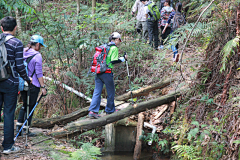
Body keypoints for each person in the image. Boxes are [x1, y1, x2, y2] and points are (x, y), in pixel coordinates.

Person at [0, 16, 31, 154]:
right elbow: (19, 65)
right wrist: (27, 79)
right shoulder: (17, 43)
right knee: (8, 113)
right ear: (15, 28)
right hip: (10, 82)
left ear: (1, 28)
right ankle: (7, 146)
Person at [88, 32, 127, 119]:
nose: (119, 42)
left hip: (98, 72)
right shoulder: (114, 48)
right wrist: (123, 59)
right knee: (111, 92)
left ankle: (93, 111)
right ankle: (110, 110)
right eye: (119, 40)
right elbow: (113, 61)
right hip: (107, 72)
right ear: (116, 39)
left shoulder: (105, 46)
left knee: (97, 92)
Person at [16, 35, 47, 136]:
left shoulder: (23, 51)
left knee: (25, 105)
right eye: (41, 46)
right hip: (33, 85)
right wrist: (43, 87)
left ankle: (18, 128)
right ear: (37, 44)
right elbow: (39, 73)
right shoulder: (37, 55)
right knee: (31, 106)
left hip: (22, 83)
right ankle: (26, 130)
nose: (41, 48)